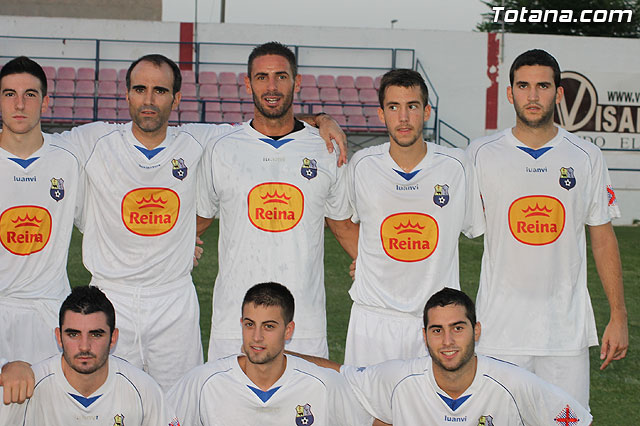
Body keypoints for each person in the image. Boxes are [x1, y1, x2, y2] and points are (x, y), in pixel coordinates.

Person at [54, 53, 346, 390]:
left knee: (178, 403)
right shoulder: (91, 141)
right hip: (110, 294)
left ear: (176, 98)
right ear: (126, 94)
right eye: (140, 89)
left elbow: (269, 120)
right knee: (108, 399)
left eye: (160, 91)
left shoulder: (202, 141)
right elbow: (34, 142)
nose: (149, 100)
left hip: (173, 299)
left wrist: (321, 119)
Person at [466, 49, 628, 406]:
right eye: (523, 86)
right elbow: (443, 222)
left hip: (564, 334)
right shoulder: (480, 154)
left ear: (558, 93)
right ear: (510, 93)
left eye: (543, 86)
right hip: (498, 332)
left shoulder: (585, 156)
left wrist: (618, 316)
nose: (533, 96)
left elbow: (602, 238)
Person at [196, 41, 353, 360]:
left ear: (297, 82)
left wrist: (382, 268)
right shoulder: (220, 148)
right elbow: (197, 220)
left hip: (303, 323)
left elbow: (342, 226)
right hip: (235, 322)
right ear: (247, 82)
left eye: (281, 76)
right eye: (262, 77)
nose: (271, 86)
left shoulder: (325, 149)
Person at [342, 69, 483, 366]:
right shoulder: (362, 165)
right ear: (381, 114)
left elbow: (474, 227)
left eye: (412, 106)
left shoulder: (456, 166)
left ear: (427, 112)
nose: (403, 117)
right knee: (367, 411)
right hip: (372, 317)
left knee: (429, 412)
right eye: (393, 107)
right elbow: (344, 219)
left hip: (434, 320)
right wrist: (363, 258)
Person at [298, 288, 593, 426]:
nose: (448, 341)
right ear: (424, 336)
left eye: (458, 328)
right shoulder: (401, 380)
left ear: (476, 331)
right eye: (437, 330)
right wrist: (271, 355)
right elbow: (336, 373)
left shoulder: (514, 384)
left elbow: (577, 421)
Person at [168, 282, 372, 426]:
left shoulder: (324, 385)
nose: (256, 337)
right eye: (249, 324)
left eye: (269, 326)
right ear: (241, 324)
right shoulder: (202, 382)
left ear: (288, 330)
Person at [0, 56, 83, 364]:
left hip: (49, 310)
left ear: (45, 102)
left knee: (50, 410)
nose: (19, 104)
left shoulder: (68, 159)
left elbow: (103, 219)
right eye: (10, 94)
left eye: (30, 95)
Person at [0, 285, 179, 425]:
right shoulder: (28, 387)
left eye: (96, 334)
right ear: (58, 337)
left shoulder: (142, 388)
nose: (84, 346)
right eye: (73, 334)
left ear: (113, 337)